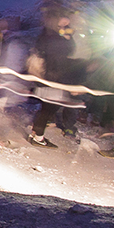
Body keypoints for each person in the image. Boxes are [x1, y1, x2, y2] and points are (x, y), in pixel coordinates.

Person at [26, 13, 94, 148]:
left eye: (67, 23)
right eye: (63, 22)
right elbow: (59, 56)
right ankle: (37, 136)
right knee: (49, 107)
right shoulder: (52, 38)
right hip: (53, 76)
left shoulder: (53, 35)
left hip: (56, 75)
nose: (66, 24)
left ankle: (37, 134)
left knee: (50, 106)